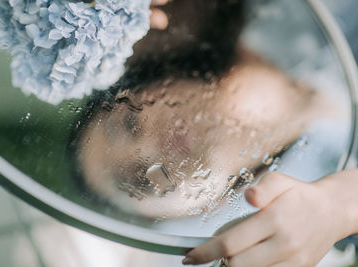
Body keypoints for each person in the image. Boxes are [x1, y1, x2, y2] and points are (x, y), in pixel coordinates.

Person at [70, 0, 358, 266]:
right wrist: (341, 207)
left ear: (150, 85)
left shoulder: (285, 7)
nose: (149, 148)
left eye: (129, 124)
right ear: (195, 210)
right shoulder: (338, 184)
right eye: (139, 180)